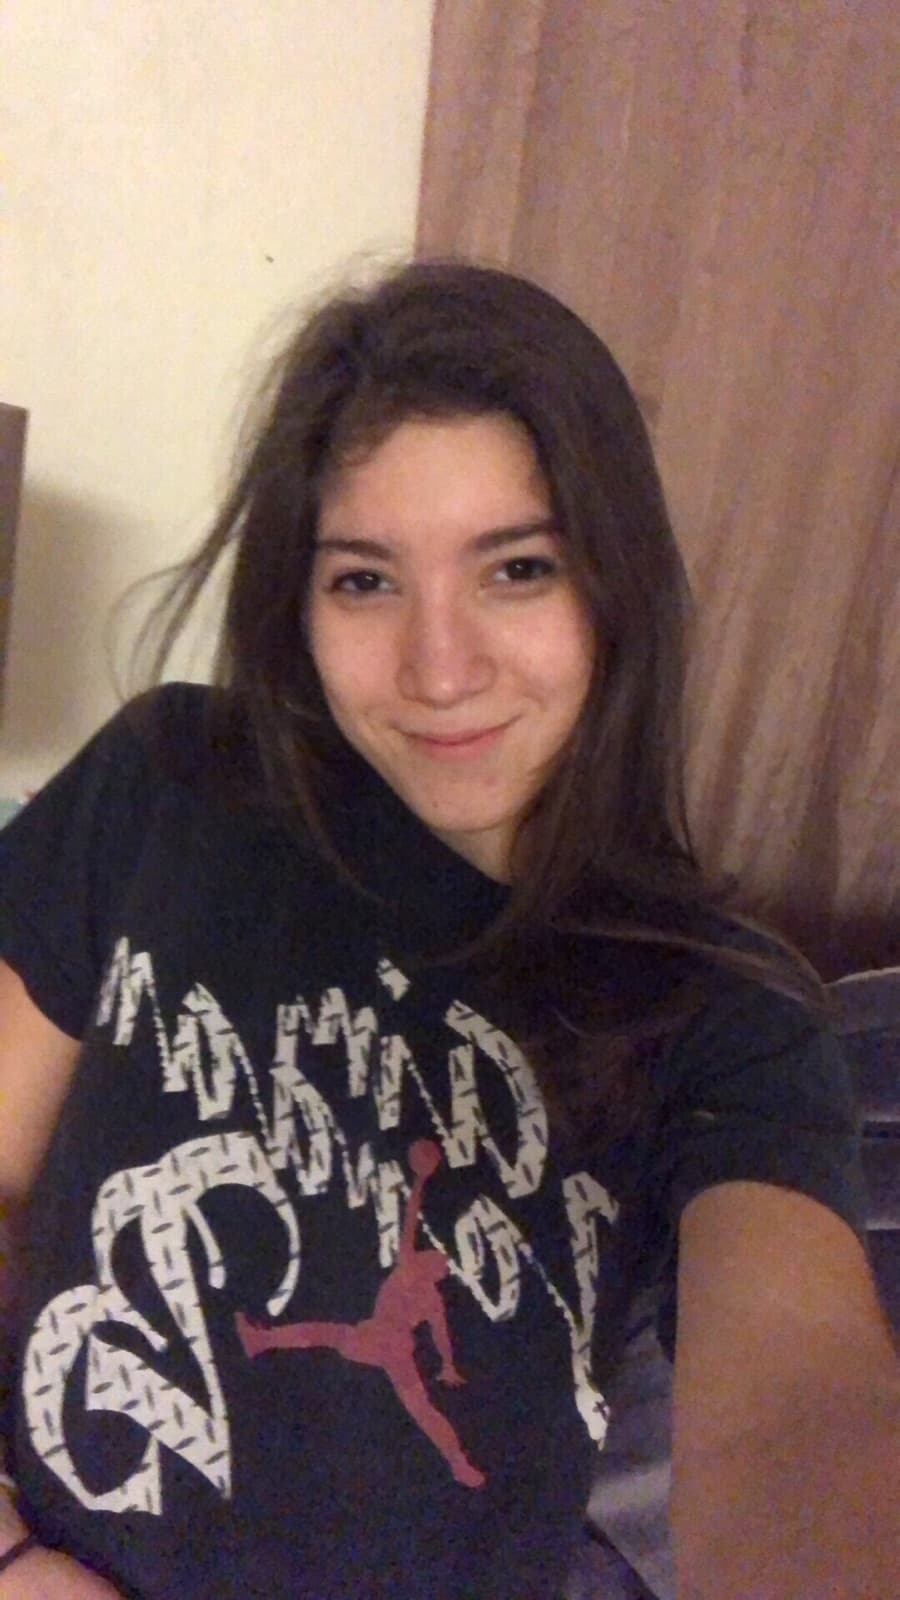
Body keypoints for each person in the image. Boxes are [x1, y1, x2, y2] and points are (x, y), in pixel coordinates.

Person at [0, 261, 896, 1600]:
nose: (439, 668)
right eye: (365, 581)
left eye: (517, 570)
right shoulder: (170, 787)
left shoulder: (727, 1011)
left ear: (618, 585)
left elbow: (797, 1412)